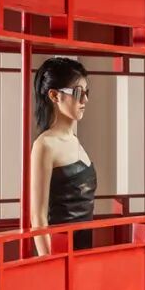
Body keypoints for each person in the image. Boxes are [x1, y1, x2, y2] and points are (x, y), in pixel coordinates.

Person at [28, 56, 97, 254]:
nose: (85, 100)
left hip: (84, 253)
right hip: (59, 255)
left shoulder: (74, 140)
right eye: (78, 92)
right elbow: (38, 219)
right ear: (54, 95)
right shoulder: (44, 145)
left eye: (86, 93)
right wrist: (51, 265)